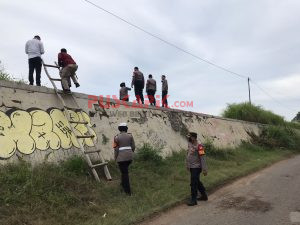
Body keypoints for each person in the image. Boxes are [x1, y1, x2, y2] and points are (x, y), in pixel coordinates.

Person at [186, 132, 208, 206]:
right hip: (191, 167)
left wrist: (204, 169)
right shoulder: (190, 144)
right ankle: (204, 195)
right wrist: (187, 165)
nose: (188, 138)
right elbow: (188, 154)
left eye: (190, 137)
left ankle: (193, 199)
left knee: (193, 183)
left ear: (194, 137)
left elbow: (203, 158)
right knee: (197, 181)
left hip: (197, 167)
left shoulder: (200, 146)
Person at [113, 123, 135, 195]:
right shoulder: (130, 136)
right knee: (124, 172)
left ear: (119, 129)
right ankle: (122, 186)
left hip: (121, 159)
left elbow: (116, 149)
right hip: (129, 158)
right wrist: (131, 153)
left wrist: (115, 158)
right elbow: (133, 146)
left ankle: (128, 192)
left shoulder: (116, 137)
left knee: (125, 174)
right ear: (126, 129)